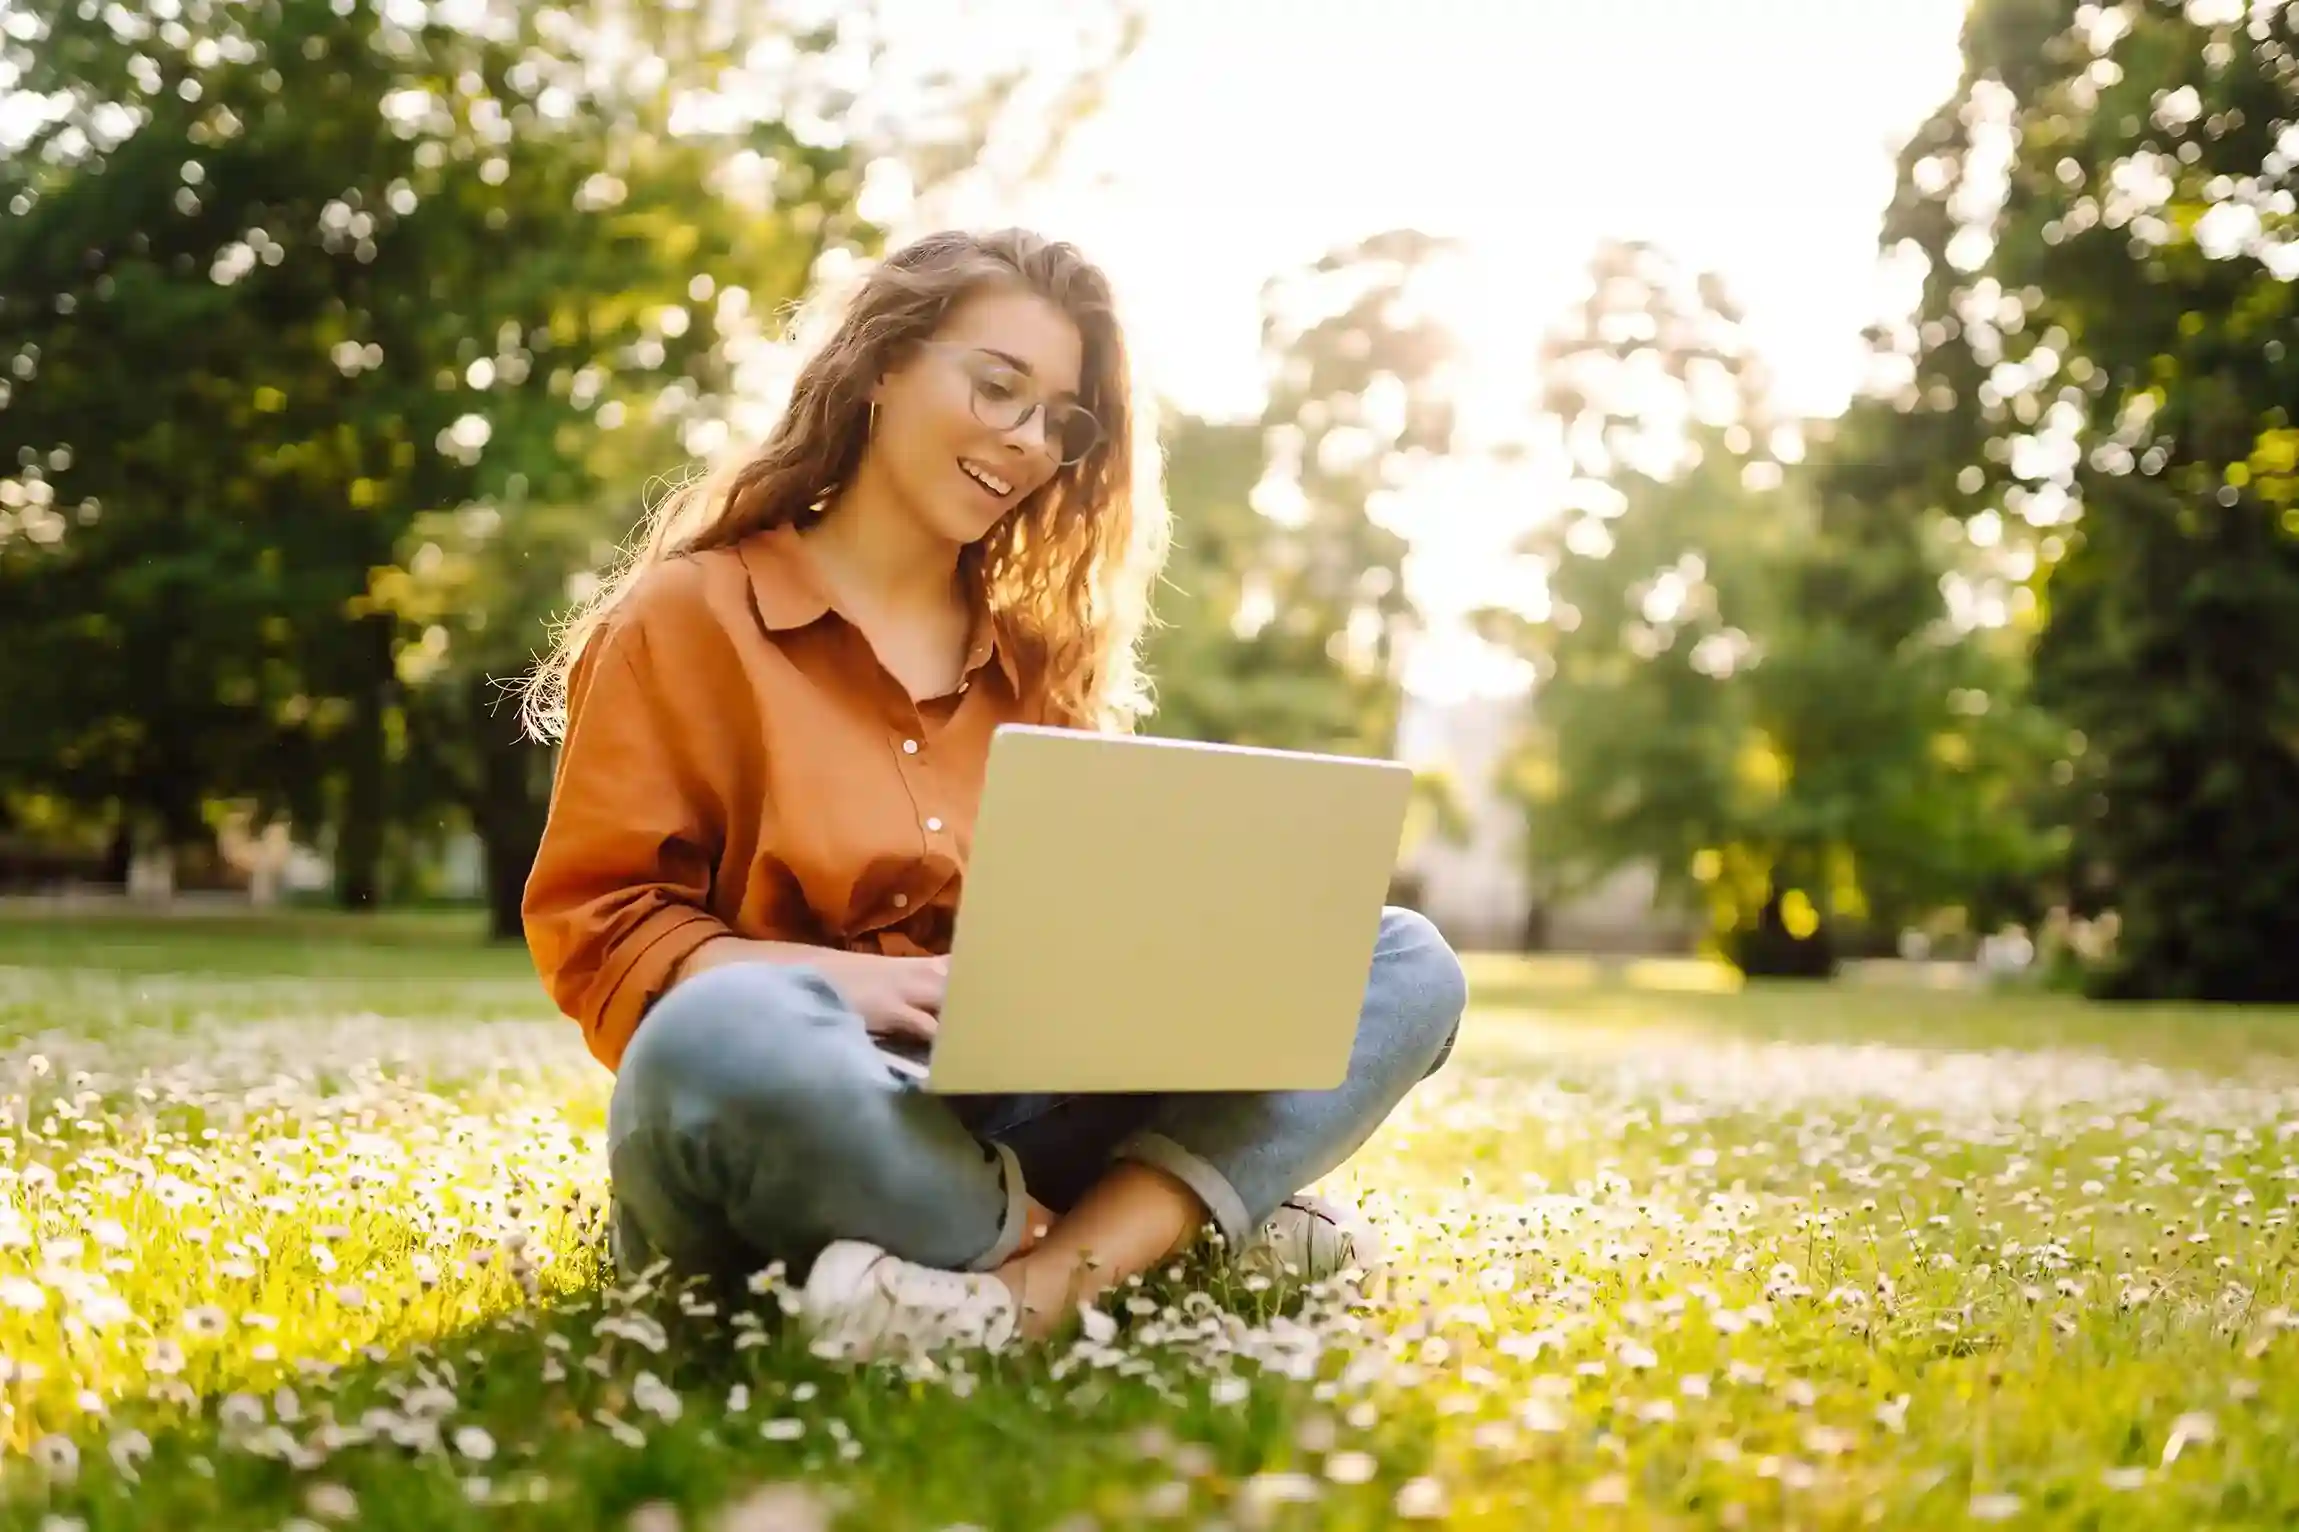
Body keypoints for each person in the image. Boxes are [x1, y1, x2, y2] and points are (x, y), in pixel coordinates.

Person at [518, 228, 1468, 1360]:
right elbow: (608, 938)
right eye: (997, 387)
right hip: (817, 1093)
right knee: (718, 1036)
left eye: (1059, 419)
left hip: (1018, 1100)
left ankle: (1021, 1298)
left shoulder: (1039, 666)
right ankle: (1149, 1238)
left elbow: (1081, 928)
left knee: (1403, 957)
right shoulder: (688, 617)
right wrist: (870, 984)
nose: (1025, 441)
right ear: (881, 366)